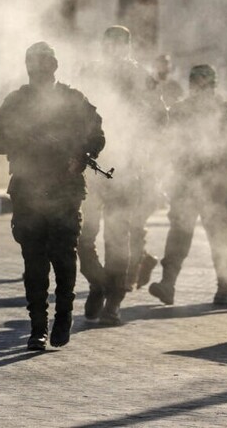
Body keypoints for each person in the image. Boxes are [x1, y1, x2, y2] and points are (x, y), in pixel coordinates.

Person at [0, 42, 105, 349]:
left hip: (65, 189)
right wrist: (23, 137)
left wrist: (82, 157)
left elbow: (96, 134)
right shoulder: (16, 101)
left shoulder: (73, 99)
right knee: (34, 261)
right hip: (28, 190)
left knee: (64, 258)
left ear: (55, 66)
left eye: (45, 62)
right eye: (33, 63)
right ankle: (38, 327)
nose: (39, 68)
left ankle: (64, 316)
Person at [76, 25, 164, 326]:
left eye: (119, 43)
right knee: (83, 235)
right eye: (109, 43)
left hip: (126, 167)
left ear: (127, 46)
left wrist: (143, 151)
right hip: (91, 163)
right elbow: (72, 113)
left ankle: (113, 300)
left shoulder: (141, 78)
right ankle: (98, 282)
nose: (113, 48)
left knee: (117, 236)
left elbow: (159, 119)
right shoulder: (90, 72)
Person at [149, 65, 227, 306]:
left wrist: (218, 151)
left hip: (216, 184)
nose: (201, 89)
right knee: (179, 232)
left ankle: (224, 285)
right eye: (197, 84)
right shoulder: (180, 111)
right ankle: (168, 284)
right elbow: (165, 143)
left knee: (218, 234)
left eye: (205, 84)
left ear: (213, 86)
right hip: (185, 182)